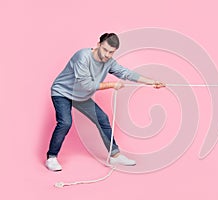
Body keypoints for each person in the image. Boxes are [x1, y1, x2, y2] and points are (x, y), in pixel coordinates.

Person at [46, 33, 165, 171]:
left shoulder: (109, 62)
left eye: (111, 52)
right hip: (62, 92)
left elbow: (126, 73)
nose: (107, 54)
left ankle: (115, 155)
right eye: (105, 50)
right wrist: (112, 85)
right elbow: (87, 85)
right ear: (98, 45)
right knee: (65, 122)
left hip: (80, 96)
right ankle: (52, 157)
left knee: (102, 118)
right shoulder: (82, 56)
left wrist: (152, 82)